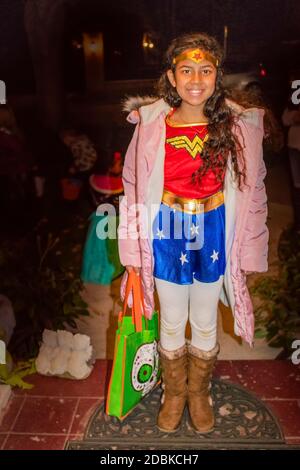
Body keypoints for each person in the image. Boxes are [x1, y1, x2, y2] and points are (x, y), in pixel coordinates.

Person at [117, 33, 269, 434]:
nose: (196, 78)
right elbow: (131, 188)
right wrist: (133, 256)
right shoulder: (151, 125)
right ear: (171, 76)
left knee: (203, 319)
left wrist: (251, 253)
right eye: (186, 70)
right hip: (167, 230)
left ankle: (198, 392)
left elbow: (255, 195)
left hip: (214, 230)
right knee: (171, 319)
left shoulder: (237, 127)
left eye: (205, 70)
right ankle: (174, 393)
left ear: (217, 77)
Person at [282, 77, 300, 232]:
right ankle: (298, 223)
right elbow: (286, 119)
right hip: (294, 146)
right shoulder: (296, 93)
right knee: (296, 187)